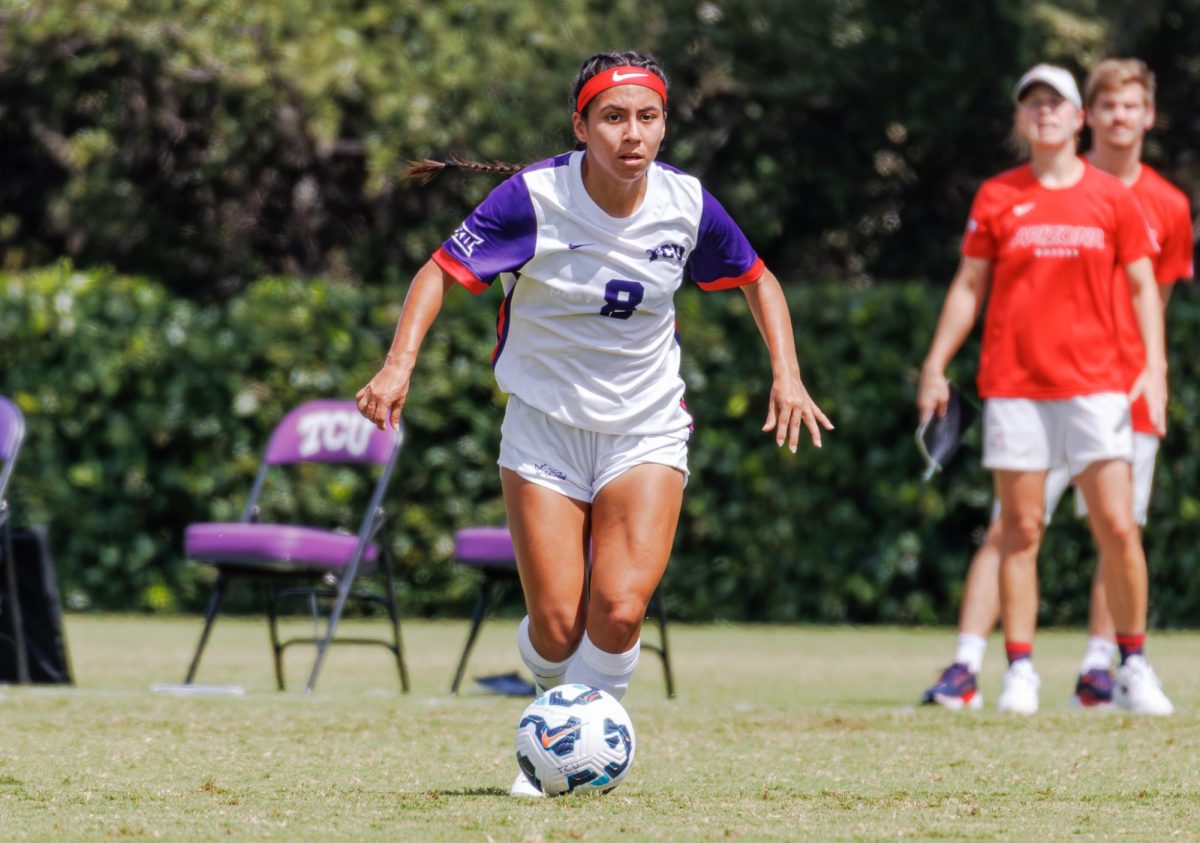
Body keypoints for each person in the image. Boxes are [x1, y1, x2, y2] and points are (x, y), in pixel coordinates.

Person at [355, 51, 832, 795]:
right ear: (581, 126)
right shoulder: (532, 199)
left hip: (645, 427)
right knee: (554, 626)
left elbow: (757, 278)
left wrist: (788, 373)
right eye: (613, 117)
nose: (631, 133)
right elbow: (438, 272)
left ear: (665, 125)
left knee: (617, 607)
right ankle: (560, 719)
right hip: (544, 428)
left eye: (647, 117)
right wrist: (397, 364)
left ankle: (568, 747)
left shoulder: (686, 204)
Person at [920, 59, 1192, 714]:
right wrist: (935, 363)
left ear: (1078, 118)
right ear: (1021, 117)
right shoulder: (996, 196)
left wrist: (1154, 368)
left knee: (1119, 528)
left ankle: (1130, 660)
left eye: (1056, 102)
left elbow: (1143, 291)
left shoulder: (1116, 197)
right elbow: (967, 285)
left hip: (1099, 387)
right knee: (1019, 528)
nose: (1044, 112)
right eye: (1031, 103)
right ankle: (1018, 672)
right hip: (1014, 386)